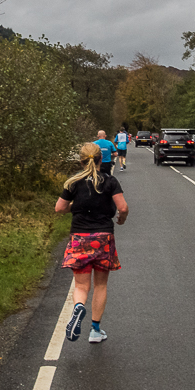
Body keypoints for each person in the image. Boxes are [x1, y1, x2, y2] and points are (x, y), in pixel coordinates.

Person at [56, 143, 128, 343]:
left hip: (79, 238)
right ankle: (95, 331)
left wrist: (77, 207)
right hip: (103, 237)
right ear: (100, 160)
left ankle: (79, 307)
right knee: (100, 285)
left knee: (81, 286)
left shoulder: (73, 182)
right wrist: (121, 219)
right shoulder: (110, 181)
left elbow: (59, 208)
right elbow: (122, 207)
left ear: (81, 161)